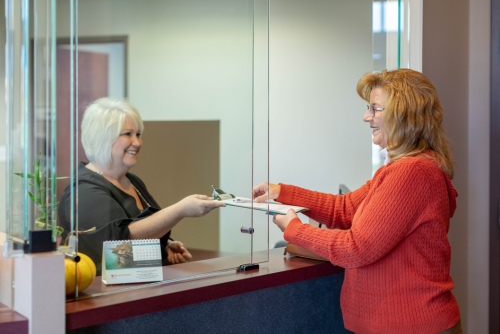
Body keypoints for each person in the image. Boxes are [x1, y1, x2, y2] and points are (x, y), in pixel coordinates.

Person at [253, 69, 462, 334]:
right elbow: (344, 209)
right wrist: (281, 192)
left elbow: (356, 248)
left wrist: (295, 229)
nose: (367, 117)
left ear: (404, 114)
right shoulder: (399, 169)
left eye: (375, 109)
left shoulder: (411, 172)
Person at [59, 98, 225, 275]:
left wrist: (165, 245)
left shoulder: (132, 181)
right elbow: (118, 247)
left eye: (138, 134)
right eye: (127, 134)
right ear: (103, 137)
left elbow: (143, 228)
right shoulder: (84, 189)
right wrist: (180, 210)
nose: (137, 143)